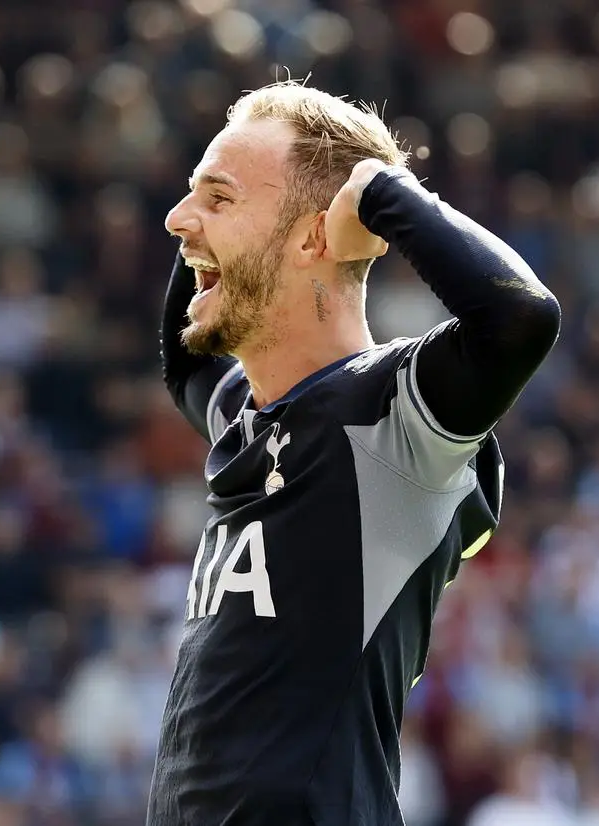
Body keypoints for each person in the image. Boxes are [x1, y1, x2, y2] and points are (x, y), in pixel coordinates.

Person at [149, 80, 562, 826]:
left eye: (219, 197)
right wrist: (219, 214)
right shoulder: (244, 414)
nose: (178, 220)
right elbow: (181, 359)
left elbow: (519, 316)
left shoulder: (390, 417)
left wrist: (374, 187)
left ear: (313, 237)